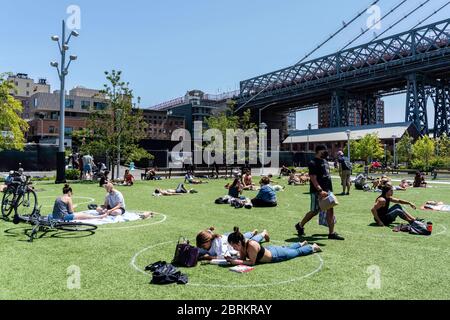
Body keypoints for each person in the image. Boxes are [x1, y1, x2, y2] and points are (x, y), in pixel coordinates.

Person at [295, 144, 344, 240]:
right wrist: (320, 190)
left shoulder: (325, 161)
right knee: (314, 211)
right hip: (317, 191)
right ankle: (300, 225)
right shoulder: (313, 162)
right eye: (324, 151)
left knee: (331, 208)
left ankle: (331, 233)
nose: (326, 152)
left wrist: (329, 190)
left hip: (328, 190)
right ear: (318, 151)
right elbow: (313, 178)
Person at [225, 227, 321, 266]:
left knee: (297, 252)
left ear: (238, 243)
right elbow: (242, 258)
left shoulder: (251, 245)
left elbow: (251, 262)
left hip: (276, 255)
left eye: (234, 246)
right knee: (287, 248)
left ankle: (312, 247)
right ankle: (300, 244)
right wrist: (232, 259)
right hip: (270, 250)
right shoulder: (242, 244)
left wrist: (236, 261)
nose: (234, 249)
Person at [196, 227, 270, 261]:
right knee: (243, 236)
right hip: (227, 237)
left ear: (209, 241)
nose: (202, 248)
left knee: (250, 240)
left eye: (203, 246)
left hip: (231, 243)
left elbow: (223, 256)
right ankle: (252, 232)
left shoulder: (217, 243)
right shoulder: (205, 244)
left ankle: (263, 233)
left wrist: (208, 257)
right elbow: (198, 250)